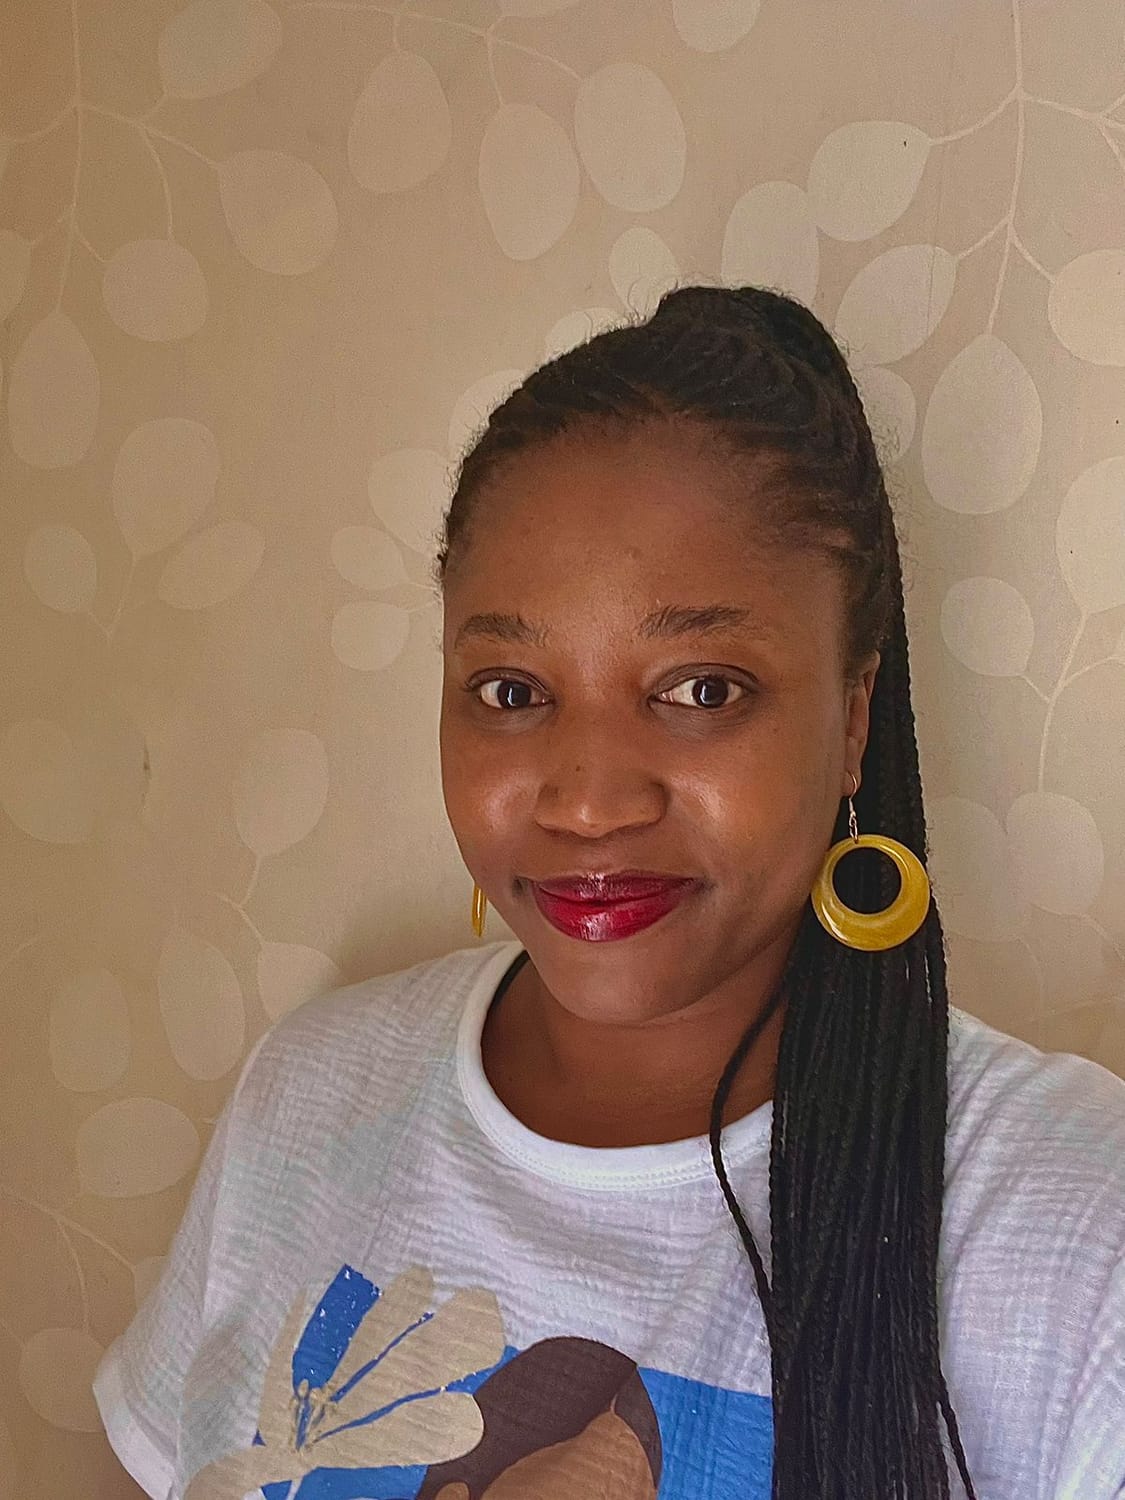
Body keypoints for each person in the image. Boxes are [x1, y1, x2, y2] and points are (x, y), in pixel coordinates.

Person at [94, 286, 1125, 1500]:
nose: (587, 803)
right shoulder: (310, 1091)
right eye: (513, 692)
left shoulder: (1075, 1224)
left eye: (701, 690)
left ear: (852, 723)